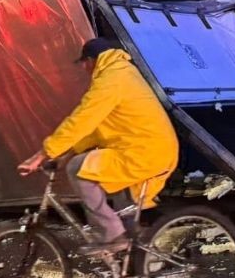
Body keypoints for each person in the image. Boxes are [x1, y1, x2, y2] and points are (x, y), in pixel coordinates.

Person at [17, 38, 179, 254]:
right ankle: (145, 270)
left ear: (92, 60)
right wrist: (66, 153)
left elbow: (82, 119)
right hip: (151, 151)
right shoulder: (124, 74)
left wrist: (43, 154)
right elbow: (97, 128)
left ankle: (111, 236)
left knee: (78, 169)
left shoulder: (111, 80)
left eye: (84, 63)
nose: (84, 68)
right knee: (126, 215)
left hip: (143, 154)